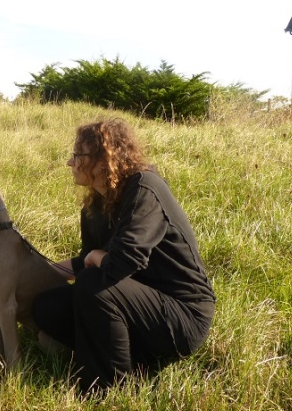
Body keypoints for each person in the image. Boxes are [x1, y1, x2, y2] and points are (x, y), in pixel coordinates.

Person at [32, 118, 216, 392]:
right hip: (137, 303)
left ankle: (108, 388)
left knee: (94, 284)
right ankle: (136, 361)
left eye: (78, 155)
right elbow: (85, 260)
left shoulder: (144, 188)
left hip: (182, 317)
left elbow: (123, 261)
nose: (70, 163)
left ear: (102, 159)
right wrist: (36, 273)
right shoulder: (94, 205)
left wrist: (95, 259)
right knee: (45, 306)